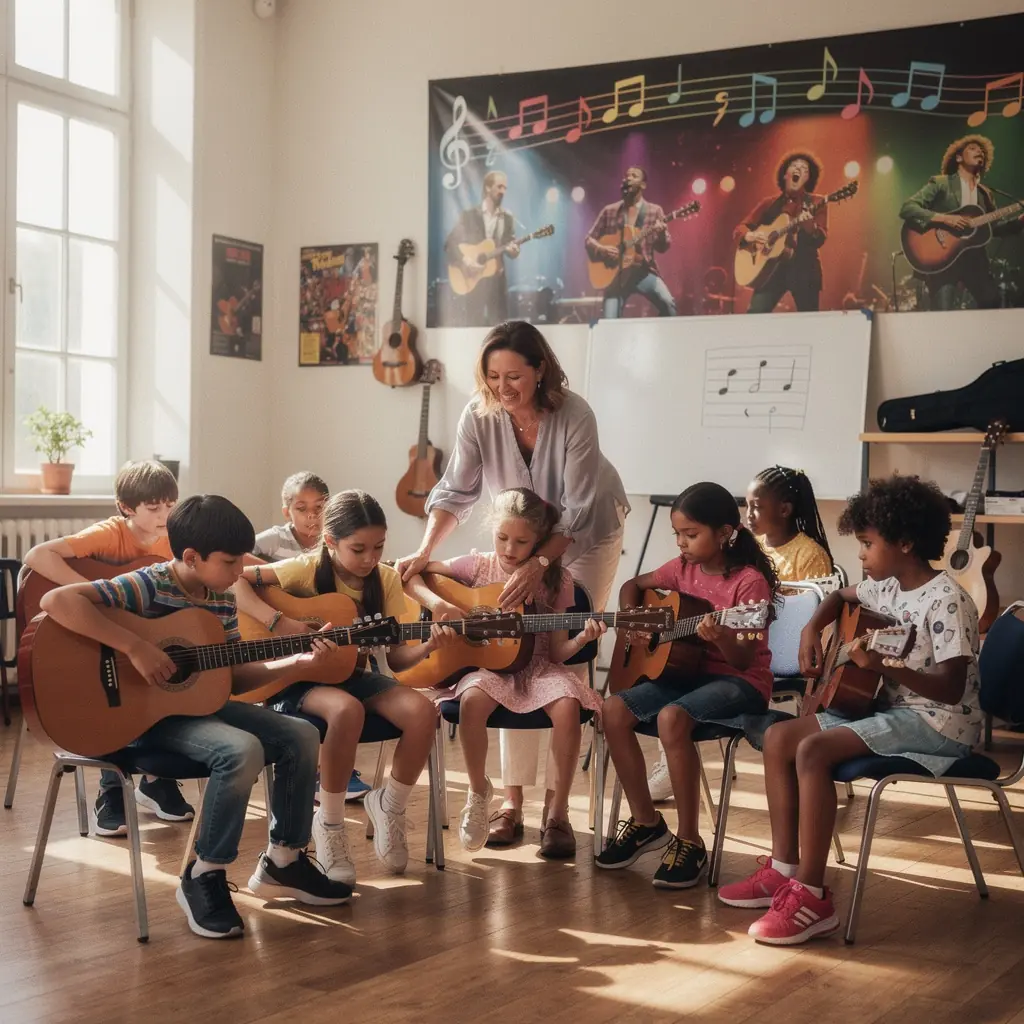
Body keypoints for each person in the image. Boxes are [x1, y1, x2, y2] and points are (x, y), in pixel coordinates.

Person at [39, 495, 354, 939]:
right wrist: (134, 646)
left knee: (301, 734)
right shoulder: (148, 584)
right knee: (240, 749)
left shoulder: (220, 596)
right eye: (229, 562)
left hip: (195, 706)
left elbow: (227, 679)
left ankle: (284, 861)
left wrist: (296, 665)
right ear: (191, 557)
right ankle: (204, 873)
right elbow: (57, 600)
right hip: (140, 719)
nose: (238, 573)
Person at [718, 475, 981, 945]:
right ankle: (783, 869)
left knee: (814, 751)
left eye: (867, 543)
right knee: (780, 738)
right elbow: (840, 597)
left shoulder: (948, 600)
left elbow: (951, 689)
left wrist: (884, 666)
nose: (860, 555)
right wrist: (808, 633)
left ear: (904, 542)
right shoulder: (887, 587)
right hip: (885, 706)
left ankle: (813, 897)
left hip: (938, 722)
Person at [396, 321, 627, 846]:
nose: (503, 387)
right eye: (493, 375)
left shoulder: (575, 415)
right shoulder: (480, 414)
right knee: (507, 653)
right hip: (519, 537)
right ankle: (509, 801)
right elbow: (454, 491)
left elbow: (578, 511)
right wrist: (426, 551)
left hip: (585, 534)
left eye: (515, 376)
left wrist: (539, 566)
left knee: (549, 651)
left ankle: (557, 812)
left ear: (540, 369)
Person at [236, 490, 452, 884]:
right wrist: (278, 624)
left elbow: (396, 659)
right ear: (331, 542)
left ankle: (390, 805)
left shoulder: (385, 580)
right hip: (294, 682)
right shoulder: (303, 570)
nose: (371, 558)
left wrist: (429, 645)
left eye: (379, 547)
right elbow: (236, 580)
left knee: (423, 711)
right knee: (346, 711)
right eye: (359, 549)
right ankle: (331, 825)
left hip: (352, 675)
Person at [596, 482, 778, 888]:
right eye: (677, 534)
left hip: (739, 681)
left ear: (725, 532)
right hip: (686, 674)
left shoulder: (748, 585)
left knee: (672, 718)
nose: (681, 543)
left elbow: (744, 659)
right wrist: (636, 619)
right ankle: (646, 823)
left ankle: (690, 840)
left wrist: (722, 636)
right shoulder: (681, 570)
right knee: (612, 710)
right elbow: (634, 586)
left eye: (691, 534)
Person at [407, 488, 605, 858]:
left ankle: (557, 812)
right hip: (488, 668)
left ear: (540, 543)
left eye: (521, 541)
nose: (509, 549)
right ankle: (478, 791)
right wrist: (442, 605)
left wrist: (582, 638)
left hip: (541, 667)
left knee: (566, 705)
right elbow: (412, 576)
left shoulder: (556, 582)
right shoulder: (476, 566)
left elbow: (560, 651)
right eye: (502, 538)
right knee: (472, 699)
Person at [23, 459, 192, 835]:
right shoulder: (110, 533)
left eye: (170, 505)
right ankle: (111, 787)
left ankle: (155, 779)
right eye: (154, 508)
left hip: (141, 642)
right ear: (127, 508)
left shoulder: (172, 541)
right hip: (92, 642)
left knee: (169, 678)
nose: (165, 514)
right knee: (108, 698)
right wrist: (96, 596)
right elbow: (38, 557)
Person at [646, 465, 835, 801]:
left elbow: (790, 618)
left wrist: (731, 630)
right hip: (715, 652)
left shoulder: (798, 558)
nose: (750, 515)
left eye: (757, 506)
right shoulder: (739, 550)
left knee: (675, 710)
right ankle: (670, 768)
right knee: (662, 687)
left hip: (764, 649)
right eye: (746, 506)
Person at [251, 471, 370, 803]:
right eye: (302, 508)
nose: (312, 516)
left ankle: (334, 769)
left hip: (320, 641)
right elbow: (232, 575)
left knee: (344, 673)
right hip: (277, 644)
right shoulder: (271, 542)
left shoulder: (338, 543)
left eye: (319, 507)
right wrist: (277, 617)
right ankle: (324, 772)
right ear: (287, 511)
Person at [899, 134, 1023, 311]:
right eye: (972, 148)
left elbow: (992, 229)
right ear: (958, 157)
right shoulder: (941, 183)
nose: (979, 151)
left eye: (981, 151)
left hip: (975, 262)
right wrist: (946, 219)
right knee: (943, 317)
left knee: (993, 307)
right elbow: (908, 208)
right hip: (942, 260)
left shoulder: (986, 194)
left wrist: (1019, 222)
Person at [736, 153, 827, 313]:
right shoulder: (768, 203)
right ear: (785, 174)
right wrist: (749, 235)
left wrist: (809, 225)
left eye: (804, 169)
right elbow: (740, 228)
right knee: (753, 317)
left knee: (810, 322)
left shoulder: (817, 202)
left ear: (808, 179)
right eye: (794, 165)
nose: (799, 168)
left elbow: (820, 238)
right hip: (770, 272)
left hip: (804, 270)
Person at [584, 166, 676, 318]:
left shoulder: (654, 210)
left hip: (644, 272)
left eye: (634, 175)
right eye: (626, 175)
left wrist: (660, 234)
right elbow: (589, 239)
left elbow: (663, 247)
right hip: (616, 276)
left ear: (643, 185)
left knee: (669, 305)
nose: (628, 178)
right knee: (610, 320)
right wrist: (603, 249)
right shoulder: (610, 210)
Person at [444, 171, 520, 326]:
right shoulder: (470, 215)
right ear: (487, 188)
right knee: (473, 328)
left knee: (501, 332)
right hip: (473, 281)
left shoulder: (507, 217)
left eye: (505, 188)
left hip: (497, 282)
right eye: (499, 187)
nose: (502, 192)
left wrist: (514, 251)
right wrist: (466, 261)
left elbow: (510, 245)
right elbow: (450, 243)